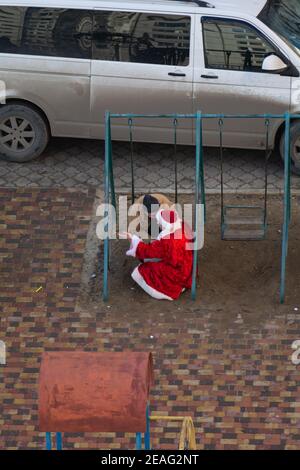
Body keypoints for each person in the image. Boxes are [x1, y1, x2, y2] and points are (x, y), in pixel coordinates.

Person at [123, 209, 193, 301]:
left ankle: (168, 291)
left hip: (177, 274)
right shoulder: (184, 226)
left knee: (140, 271)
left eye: (160, 224)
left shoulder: (168, 240)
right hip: (188, 269)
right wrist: (159, 214)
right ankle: (180, 285)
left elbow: (147, 251)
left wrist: (133, 239)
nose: (159, 225)